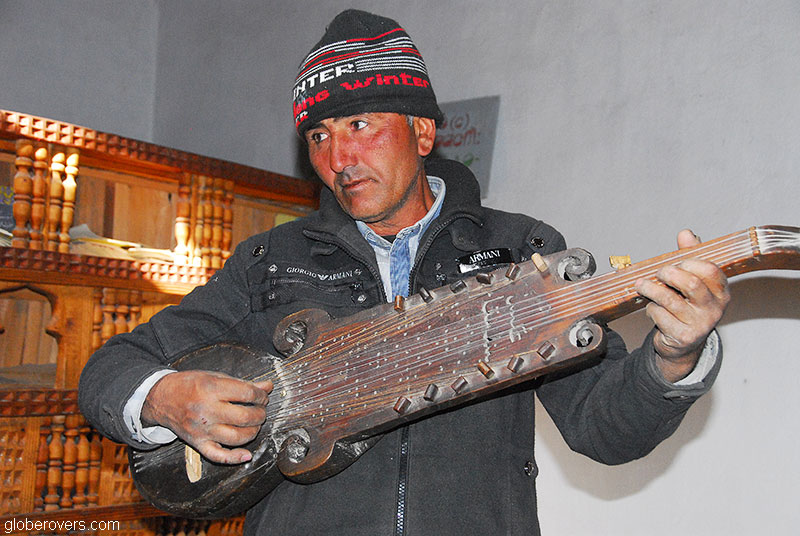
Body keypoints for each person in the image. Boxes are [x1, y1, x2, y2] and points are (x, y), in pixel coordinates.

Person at [78, 9, 729, 535]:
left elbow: (601, 427)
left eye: (359, 124)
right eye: (319, 136)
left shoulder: (520, 246)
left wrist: (673, 358)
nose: (339, 156)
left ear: (422, 132)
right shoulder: (269, 259)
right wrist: (163, 398)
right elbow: (110, 371)